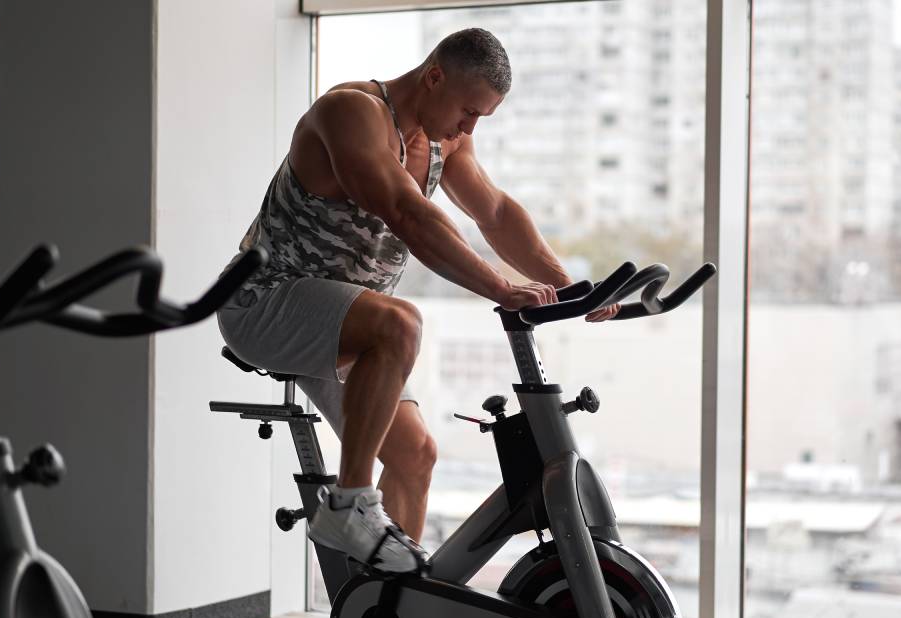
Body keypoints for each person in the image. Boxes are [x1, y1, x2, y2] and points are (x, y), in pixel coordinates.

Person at [217, 28, 618, 573]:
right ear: (434, 77)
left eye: (481, 119)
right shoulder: (351, 113)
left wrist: (568, 287)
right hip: (264, 300)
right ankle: (348, 504)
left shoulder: (444, 138)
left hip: (345, 318)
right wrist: (501, 288)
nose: (468, 128)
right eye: (467, 111)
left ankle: (385, 604)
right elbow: (407, 213)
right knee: (400, 323)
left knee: (415, 457)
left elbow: (495, 213)